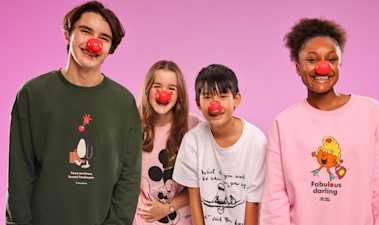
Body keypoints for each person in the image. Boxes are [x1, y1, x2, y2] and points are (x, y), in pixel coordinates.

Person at [7, 1, 142, 225]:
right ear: (68, 34)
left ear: (110, 48)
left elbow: (129, 177)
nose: (94, 43)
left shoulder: (124, 103)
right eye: (85, 31)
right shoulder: (33, 94)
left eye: (104, 38)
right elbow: (19, 175)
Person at [261, 18, 379, 225]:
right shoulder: (284, 124)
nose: (323, 68)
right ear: (298, 67)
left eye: (331, 59)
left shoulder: (371, 113)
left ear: (340, 64)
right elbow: (275, 201)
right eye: (312, 59)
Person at [173, 64, 267, 225]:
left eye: (223, 96)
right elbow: (194, 200)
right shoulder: (192, 141)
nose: (215, 104)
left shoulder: (256, 141)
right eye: (208, 97)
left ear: (236, 99)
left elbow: (254, 201)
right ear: (198, 103)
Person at [133, 60, 200, 225]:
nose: (164, 93)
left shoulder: (194, 126)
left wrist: (168, 207)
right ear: (148, 90)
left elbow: (200, 184)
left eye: (171, 88)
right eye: (157, 86)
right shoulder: (133, 125)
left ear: (179, 94)